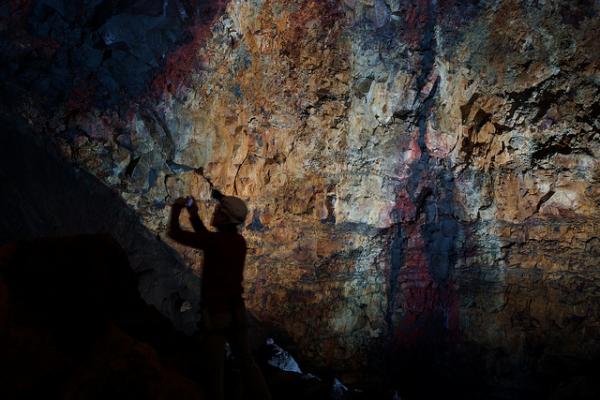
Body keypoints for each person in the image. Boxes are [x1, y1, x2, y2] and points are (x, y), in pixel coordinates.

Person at [167, 190, 271, 400]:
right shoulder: (238, 242)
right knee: (246, 361)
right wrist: (194, 215)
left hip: (217, 316)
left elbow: (175, 233)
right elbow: (208, 239)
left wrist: (178, 208)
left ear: (225, 217)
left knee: (214, 371)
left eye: (218, 211)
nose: (214, 213)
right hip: (237, 313)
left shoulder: (215, 242)